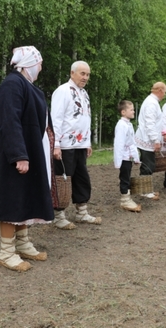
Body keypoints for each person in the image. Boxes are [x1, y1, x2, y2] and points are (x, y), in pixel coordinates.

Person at [0, 46, 53, 272]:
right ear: (30, 62)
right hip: (13, 153)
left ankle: (22, 243)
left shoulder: (28, 86)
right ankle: (6, 252)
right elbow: (9, 120)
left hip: (29, 150)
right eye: (39, 63)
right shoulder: (12, 84)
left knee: (25, 197)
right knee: (12, 199)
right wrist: (19, 155)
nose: (41, 68)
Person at [51, 61, 101, 229]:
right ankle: (58, 215)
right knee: (63, 180)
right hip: (65, 145)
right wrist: (56, 144)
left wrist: (87, 142)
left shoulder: (84, 93)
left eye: (87, 74)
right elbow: (56, 118)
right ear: (72, 73)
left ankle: (81, 212)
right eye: (82, 73)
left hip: (80, 144)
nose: (85, 77)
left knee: (81, 178)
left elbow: (84, 119)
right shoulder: (62, 91)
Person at [135, 82, 166, 199]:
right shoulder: (151, 103)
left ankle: (145, 189)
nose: (164, 94)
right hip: (147, 138)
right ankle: (144, 191)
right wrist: (155, 140)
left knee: (148, 164)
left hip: (148, 137)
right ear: (159, 90)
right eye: (164, 92)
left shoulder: (153, 102)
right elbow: (150, 123)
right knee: (147, 164)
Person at [113, 100, 142, 212]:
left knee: (128, 175)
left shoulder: (128, 124)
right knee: (124, 177)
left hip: (128, 156)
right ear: (123, 112)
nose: (133, 111)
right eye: (131, 109)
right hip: (124, 156)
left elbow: (132, 143)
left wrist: (135, 157)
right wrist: (118, 161)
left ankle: (127, 197)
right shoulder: (121, 125)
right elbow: (119, 143)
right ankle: (125, 199)